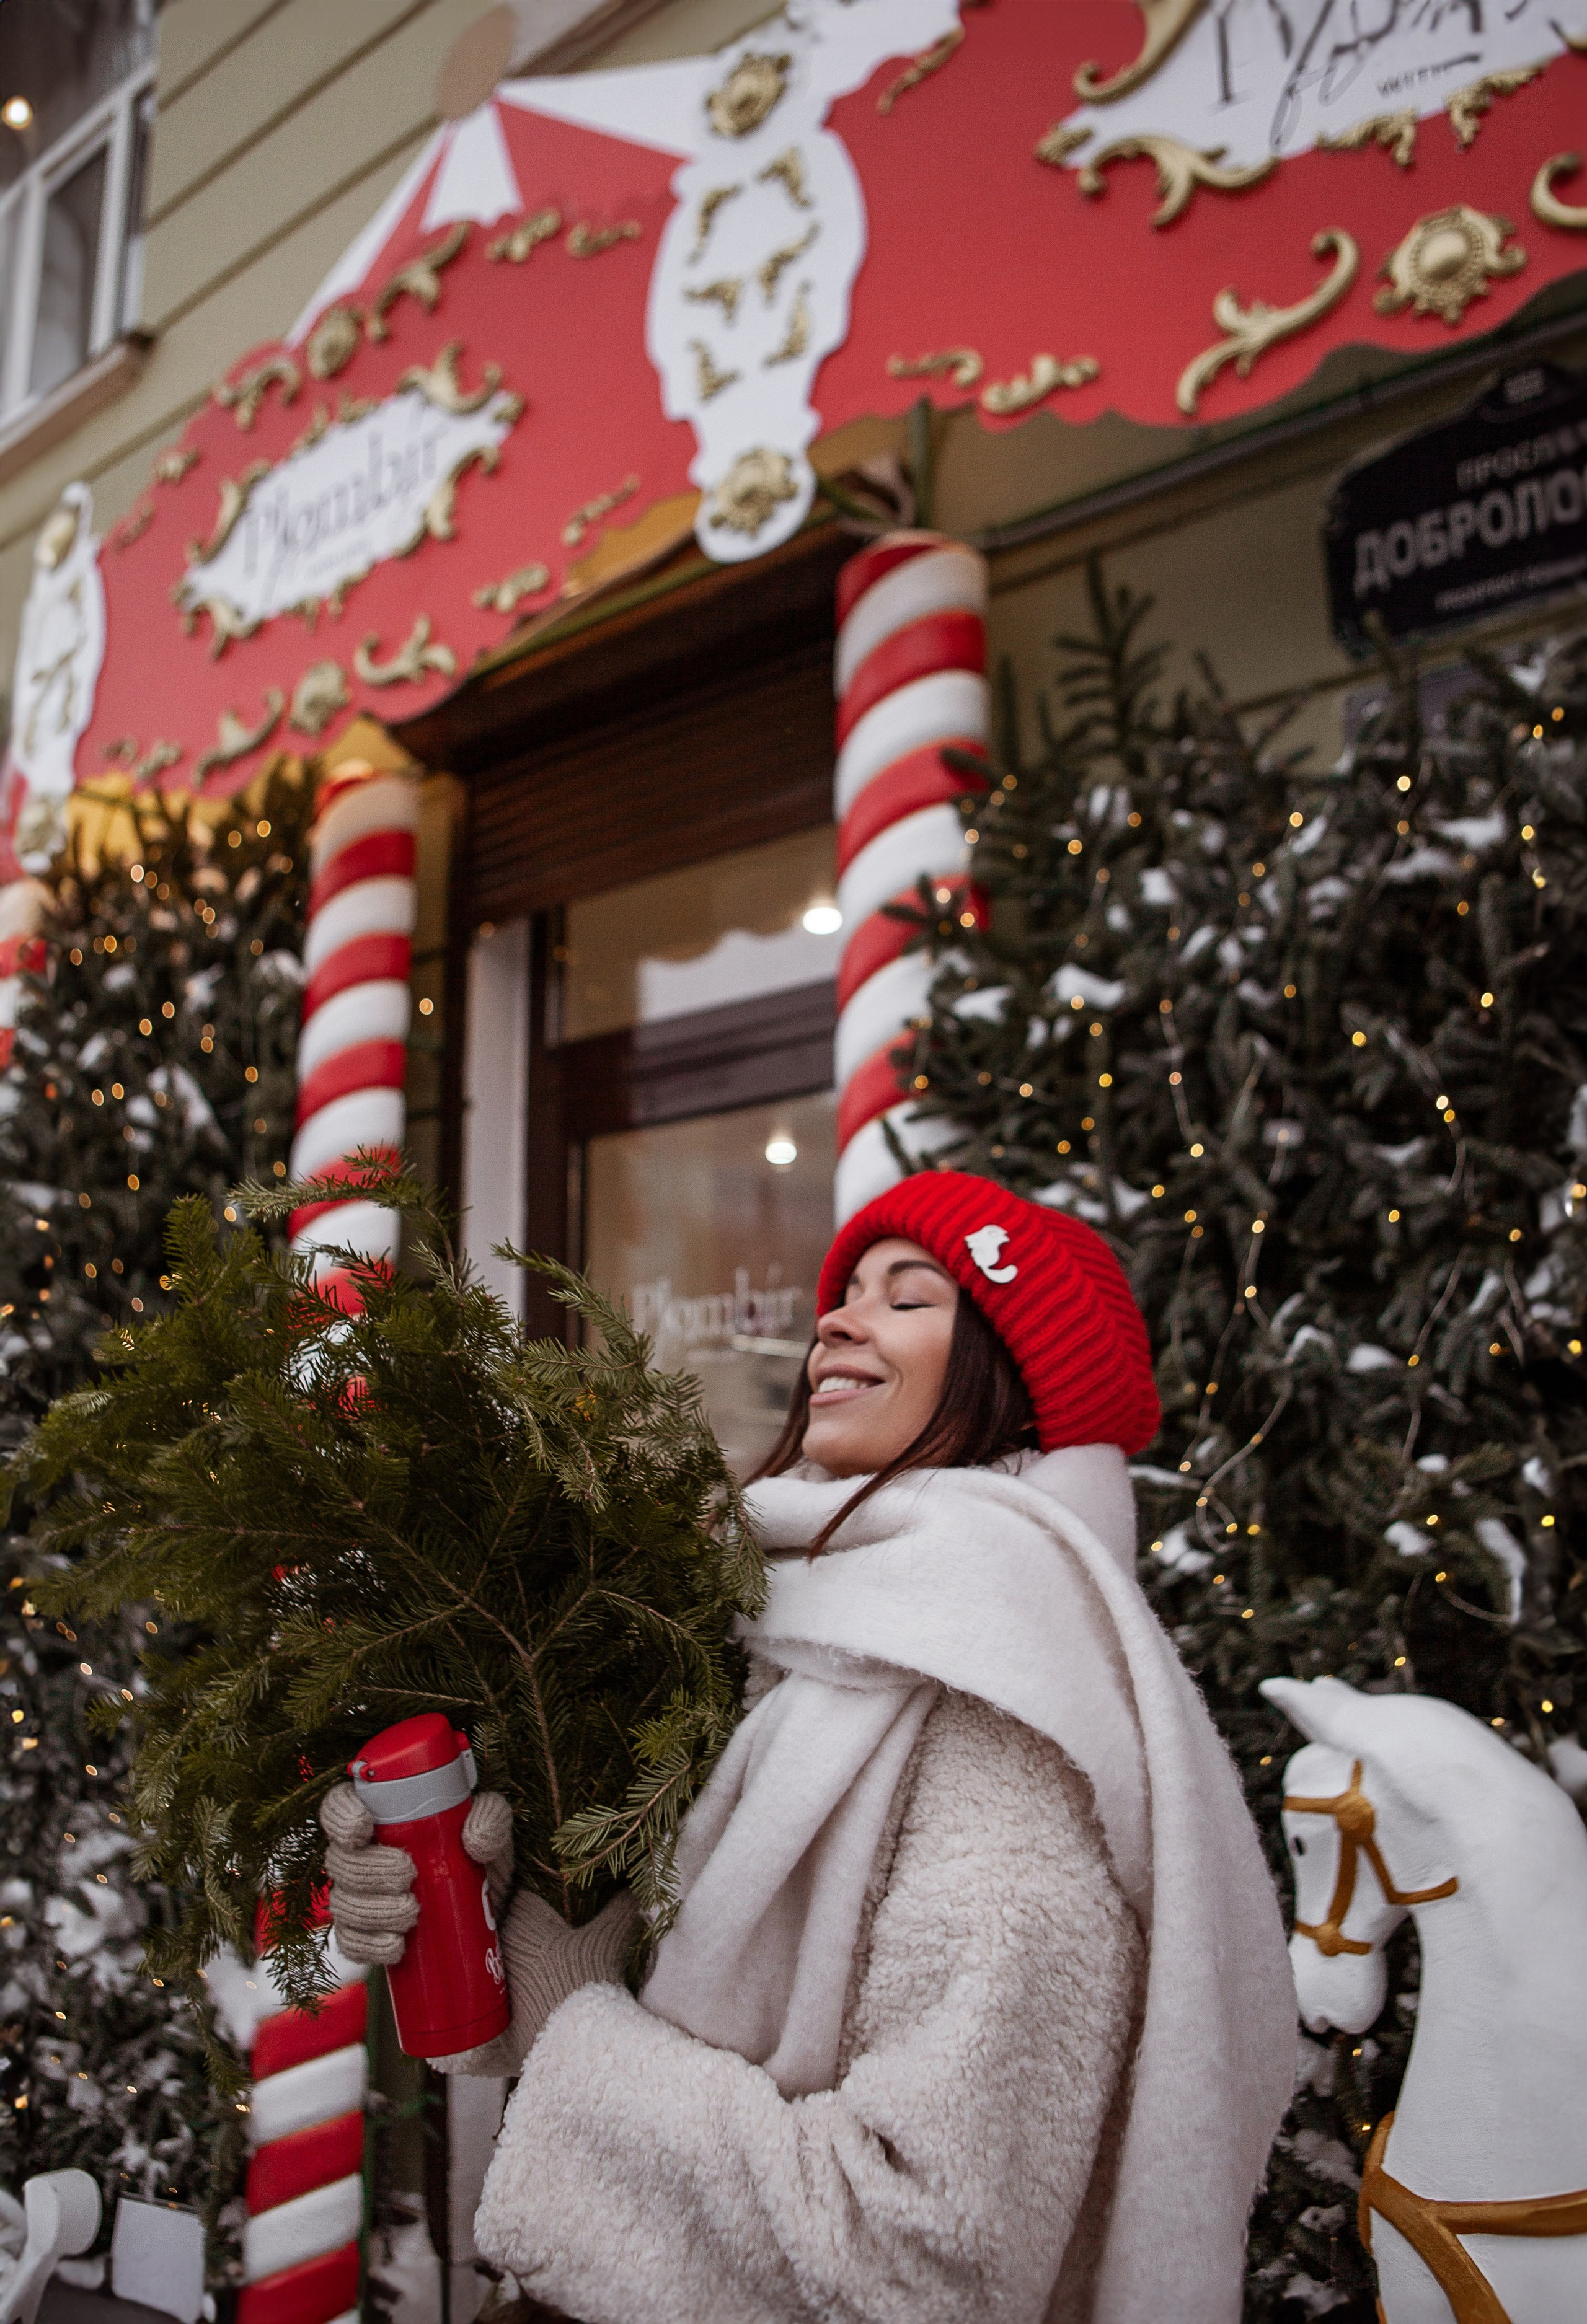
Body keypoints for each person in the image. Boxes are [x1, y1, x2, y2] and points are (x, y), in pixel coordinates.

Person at [322, 1171, 1296, 2324]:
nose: (836, 1318)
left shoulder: (1009, 1724)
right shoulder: (782, 1624)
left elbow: (926, 2261)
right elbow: (680, 1988)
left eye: (909, 1297)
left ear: (1012, 1381)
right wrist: (484, 1922)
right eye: (847, 1293)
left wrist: (572, 2021)